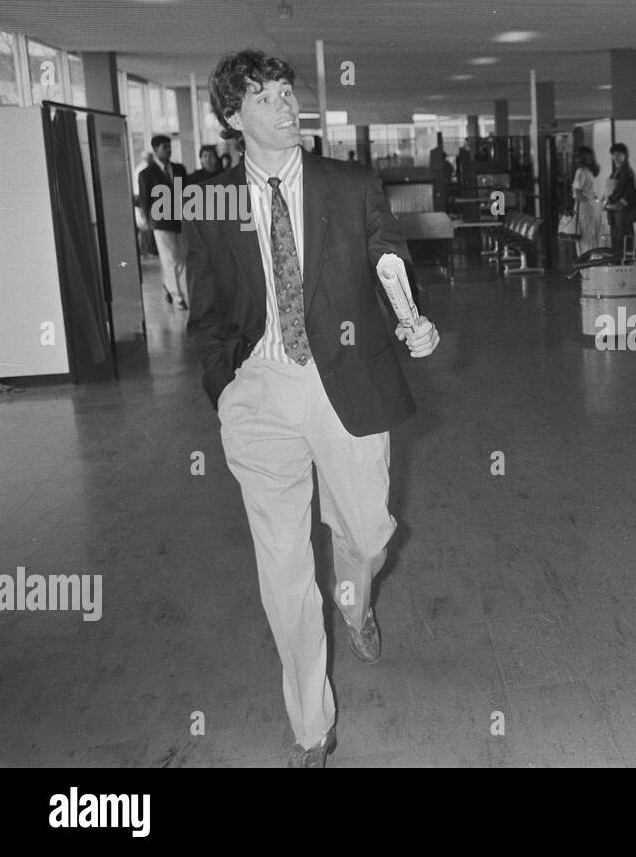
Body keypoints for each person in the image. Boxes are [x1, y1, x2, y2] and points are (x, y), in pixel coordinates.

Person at [186, 49, 439, 767]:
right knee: (283, 565)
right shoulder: (210, 201)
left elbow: (388, 256)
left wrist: (409, 315)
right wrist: (226, 391)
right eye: (264, 98)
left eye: (287, 92)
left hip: (347, 383)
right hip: (260, 390)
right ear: (234, 118)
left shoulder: (349, 183)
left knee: (366, 530)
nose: (285, 106)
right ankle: (311, 724)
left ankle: (356, 601)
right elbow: (206, 311)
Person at [137, 134, 189, 308]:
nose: (168, 150)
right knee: (169, 259)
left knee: (181, 258)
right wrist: (146, 219)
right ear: (155, 149)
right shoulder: (147, 174)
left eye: (169, 146)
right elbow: (145, 199)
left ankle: (170, 286)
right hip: (160, 221)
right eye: (164, 147)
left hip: (179, 220)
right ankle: (178, 297)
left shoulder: (179, 169)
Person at [604, 142, 636, 257]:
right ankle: (619, 256)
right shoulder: (616, 170)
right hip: (614, 207)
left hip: (622, 208)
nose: (616, 157)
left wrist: (611, 199)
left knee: (622, 233)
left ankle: (625, 258)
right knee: (617, 233)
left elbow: (625, 190)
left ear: (625, 155)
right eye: (614, 154)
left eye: (619, 154)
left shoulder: (626, 171)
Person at [571, 146, 604, 256]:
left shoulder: (582, 171)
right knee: (592, 235)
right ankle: (591, 261)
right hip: (591, 207)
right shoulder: (588, 172)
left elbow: (578, 193)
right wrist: (594, 202)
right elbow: (580, 193)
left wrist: (590, 202)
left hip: (587, 208)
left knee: (587, 235)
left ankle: (587, 263)